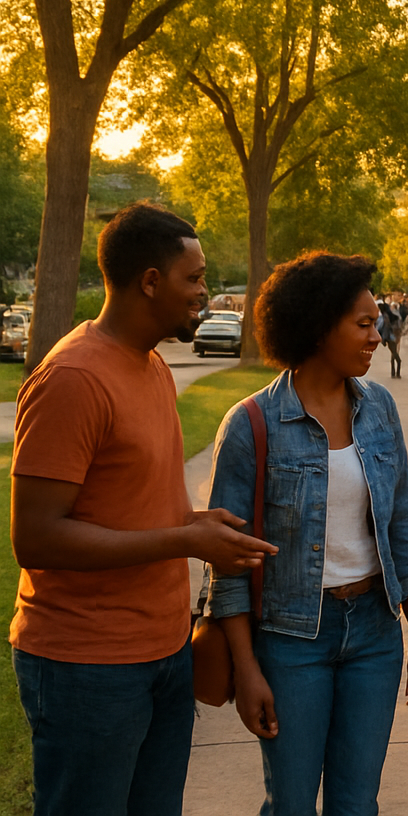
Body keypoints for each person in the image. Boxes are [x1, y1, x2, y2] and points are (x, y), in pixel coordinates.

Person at [9, 202, 274, 816]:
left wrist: (197, 523)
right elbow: (38, 538)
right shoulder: (72, 378)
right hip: (86, 668)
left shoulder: (152, 365)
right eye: (194, 277)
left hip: (164, 651)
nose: (204, 292)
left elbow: (138, 505)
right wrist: (183, 542)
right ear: (149, 281)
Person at [207, 252, 408, 814]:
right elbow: (228, 565)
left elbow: (402, 519)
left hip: (375, 635)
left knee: (357, 805)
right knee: (290, 804)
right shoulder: (251, 424)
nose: (377, 335)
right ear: (316, 327)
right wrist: (247, 667)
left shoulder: (378, 407)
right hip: (290, 641)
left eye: (376, 322)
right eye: (363, 324)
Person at [378, 296, 403, 379]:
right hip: (394, 337)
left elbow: (383, 328)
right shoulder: (392, 316)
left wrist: (384, 339)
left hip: (390, 337)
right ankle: (396, 373)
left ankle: (394, 373)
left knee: (394, 355)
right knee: (395, 355)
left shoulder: (385, 317)